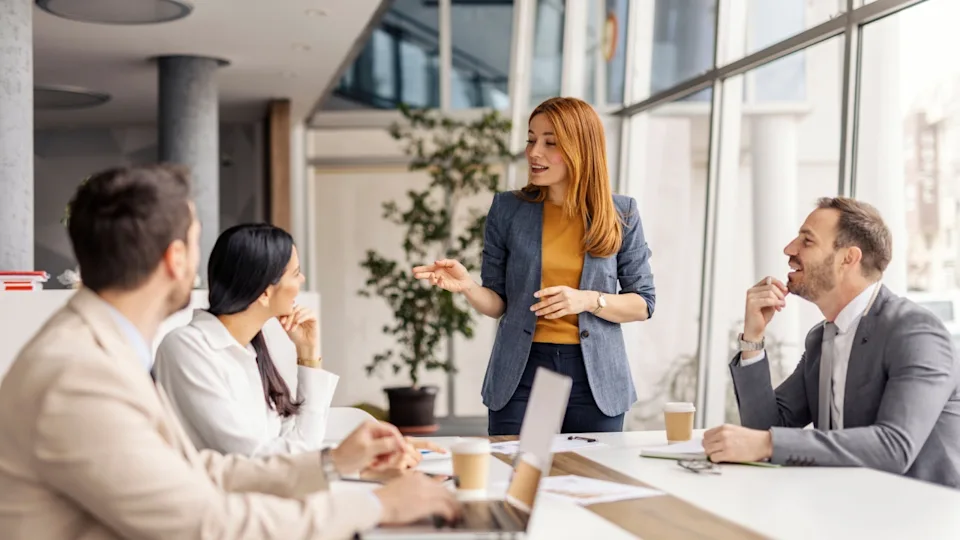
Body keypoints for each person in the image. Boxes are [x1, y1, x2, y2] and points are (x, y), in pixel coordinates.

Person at [0, 164, 459, 539]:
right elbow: (206, 522)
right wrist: (371, 506)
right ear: (175, 260)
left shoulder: (100, 348)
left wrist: (332, 463)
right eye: (196, 245)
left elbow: (197, 471)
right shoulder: (78, 374)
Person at [414, 97, 655, 435]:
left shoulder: (621, 213)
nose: (534, 151)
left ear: (580, 149)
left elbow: (643, 303)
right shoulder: (507, 209)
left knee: (592, 483)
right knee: (518, 480)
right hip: (522, 372)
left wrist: (588, 300)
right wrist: (467, 285)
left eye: (550, 142)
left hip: (595, 378)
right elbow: (499, 304)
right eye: (531, 139)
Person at [704, 197, 960, 488]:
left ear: (848, 259)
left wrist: (769, 443)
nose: (789, 250)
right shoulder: (820, 339)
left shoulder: (916, 332)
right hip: (843, 511)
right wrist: (753, 338)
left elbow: (895, 446)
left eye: (807, 241)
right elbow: (765, 428)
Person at [154, 223, 441, 466]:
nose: (302, 280)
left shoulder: (253, 350)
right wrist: (344, 458)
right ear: (265, 292)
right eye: (295, 273)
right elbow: (253, 459)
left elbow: (301, 443)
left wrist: (308, 356)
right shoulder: (186, 349)